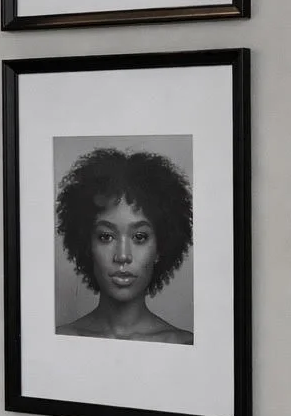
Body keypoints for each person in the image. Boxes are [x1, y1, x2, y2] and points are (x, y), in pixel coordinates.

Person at [55, 147, 193, 343]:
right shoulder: (58, 340)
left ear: (161, 247)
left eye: (139, 237)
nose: (122, 256)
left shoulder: (184, 345)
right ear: (86, 244)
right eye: (106, 236)